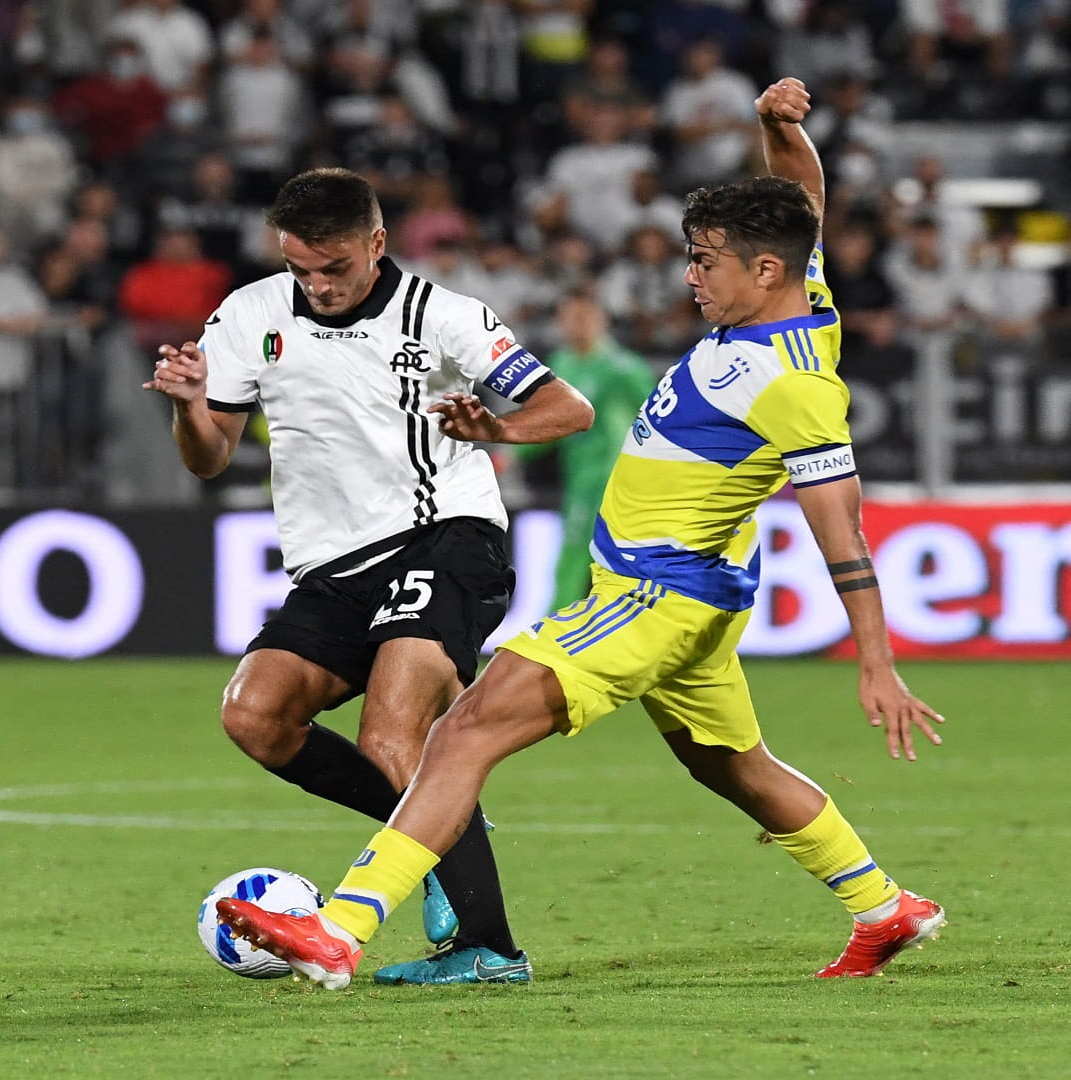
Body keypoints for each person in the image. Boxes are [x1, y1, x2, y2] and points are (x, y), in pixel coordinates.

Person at [216, 79, 950, 989]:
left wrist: (875, 660)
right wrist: (775, 129)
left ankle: (340, 926)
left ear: (762, 272)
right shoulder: (801, 300)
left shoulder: (797, 383)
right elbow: (802, 205)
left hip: (656, 594)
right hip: (698, 594)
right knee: (732, 765)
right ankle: (884, 906)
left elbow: (843, 531)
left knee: (462, 732)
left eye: (706, 261)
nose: (691, 275)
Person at [145, 167, 594, 984]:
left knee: (394, 735)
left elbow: (570, 408)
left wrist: (496, 425)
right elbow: (209, 459)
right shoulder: (249, 313)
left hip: (444, 536)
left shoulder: (444, 316)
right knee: (255, 715)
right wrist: (190, 404)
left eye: (335, 268)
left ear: (377, 245)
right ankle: (435, 829)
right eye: (300, 269)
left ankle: (487, 948)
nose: (316, 285)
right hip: (332, 565)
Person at [516, 291, 660, 611]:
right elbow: (551, 425)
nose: (576, 326)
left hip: (614, 480)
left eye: (584, 317)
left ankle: (550, 638)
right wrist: (514, 452)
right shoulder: (561, 365)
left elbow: (657, 418)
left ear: (601, 321)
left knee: (577, 558)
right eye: (569, 318)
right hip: (579, 478)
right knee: (584, 559)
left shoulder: (622, 368)